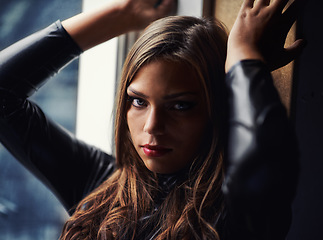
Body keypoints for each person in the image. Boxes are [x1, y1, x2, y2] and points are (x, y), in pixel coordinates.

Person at [0, 0, 304, 239]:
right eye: (138, 101)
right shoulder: (101, 186)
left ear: (218, 108)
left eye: (181, 106)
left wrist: (243, 59)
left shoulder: (235, 213)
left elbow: (264, 166)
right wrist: (121, 14)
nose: (151, 127)